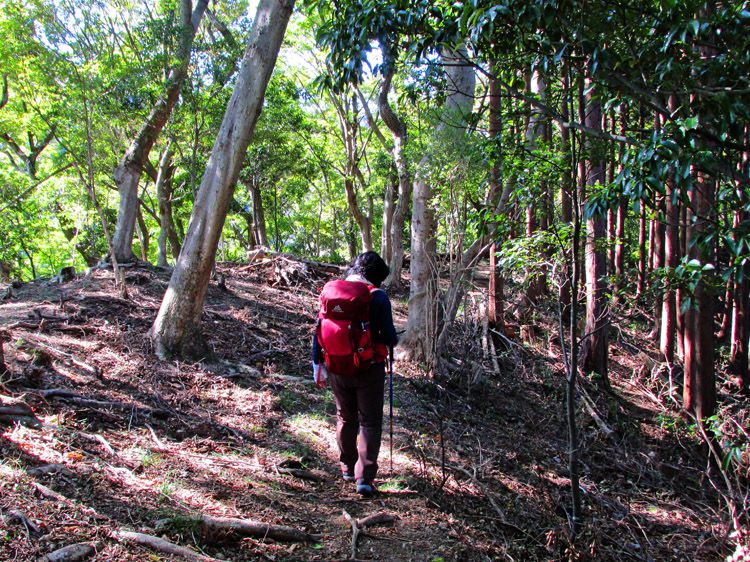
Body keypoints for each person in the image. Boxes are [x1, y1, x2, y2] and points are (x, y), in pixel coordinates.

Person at [312, 251, 398, 496]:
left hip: (337, 365)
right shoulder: (378, 297)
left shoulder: (331, 293)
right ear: (376, 276)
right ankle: (365, 478)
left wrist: (318, 365)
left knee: (345, 418)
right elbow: (390, 337)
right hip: (369, 368)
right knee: (369, 421)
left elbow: (318, 329)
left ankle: (347, 468)